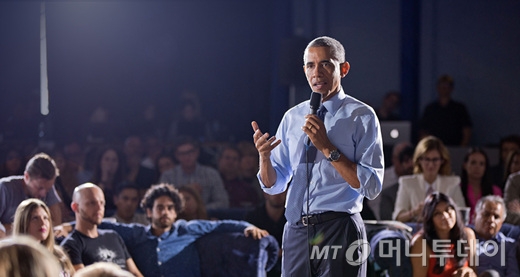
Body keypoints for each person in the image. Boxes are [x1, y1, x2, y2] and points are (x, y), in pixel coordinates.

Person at [252, 36, 384, 276]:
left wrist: (327, 148)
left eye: (325, 64)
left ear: (343, 69)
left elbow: (371, 186)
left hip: (340, 228)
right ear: (304, 70)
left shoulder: (362, 116)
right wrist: (263, 157)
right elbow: (274, 185)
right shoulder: (292, 117)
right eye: (310, 65)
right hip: (296, 230)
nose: (317, 72)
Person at [90, 183, 268, 276]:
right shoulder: (137, 233)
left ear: (176, 212)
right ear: (149, 212)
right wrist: (70, 225)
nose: (165, 212)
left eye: (170, 208)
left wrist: (249, 227)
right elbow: (106, 224)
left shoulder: (187, 229)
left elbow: (222, 225)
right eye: (160, 208)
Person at [59, 183, 143, 276]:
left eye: (102, 203)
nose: (99, 208)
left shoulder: (113, 236)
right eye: (92, 203)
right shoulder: (71, 245)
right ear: (75, 207)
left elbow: (135, 272)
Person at [393, 136, 466, 222]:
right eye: (427, 159)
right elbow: (397, 218)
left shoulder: (452, 183)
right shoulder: (407, 183)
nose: (431, 164)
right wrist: (414, 212)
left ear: (442, 160)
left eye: (435, 160)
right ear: (419, 160)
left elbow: (462, 215)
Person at [410, 192, 477, 277]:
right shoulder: (420, 243)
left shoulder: (468, 234)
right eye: (437, 213)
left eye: (448, 210)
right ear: (430, 219)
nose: (445, 216)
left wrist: (467, 271)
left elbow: (474, 271)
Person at [0, 152, 62, 238]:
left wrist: (11, 227)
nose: (43, 194)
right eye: (39, 188)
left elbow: (56, 225)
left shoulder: (46, 186)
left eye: (48, 189)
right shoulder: (5, 188)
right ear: (26, 176)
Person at [159, 137, 229, 209]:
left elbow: (223, 202)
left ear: (197, 152)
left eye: (190, 152)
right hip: (176, 218)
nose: (187, 157)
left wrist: (199, 210)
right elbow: (162, 203)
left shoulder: (212, 174)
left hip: (206, 217)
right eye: (182, 153)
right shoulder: (168, 176)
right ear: (177, 156)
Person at [12, 198, 75, 276]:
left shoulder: (58, 253)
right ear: (23, 223)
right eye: (35, 218)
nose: (42, 223)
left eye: (45, 218)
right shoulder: (14, 257)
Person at [418, 74, 473, 146]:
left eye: (446, 86)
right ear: (437, 88)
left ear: (451, 88)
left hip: (455, 147)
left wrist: (461, 149)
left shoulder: (459, 108)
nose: (444, 89)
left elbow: (467, 130)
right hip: (435, 148)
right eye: (442, 86)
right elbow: (423, 132)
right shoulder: (430, 109)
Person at [472, 195, 519, 276]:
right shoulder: (464, 240)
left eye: (496, 217)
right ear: (475, 216)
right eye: (486, 214)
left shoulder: (509, 245)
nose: (491, 220)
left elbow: (513, 273)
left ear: (502, 221)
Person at [245, 191, 287, 277]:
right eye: (274, 190)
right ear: (265, 193)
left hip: (289, 262)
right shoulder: (253, 216)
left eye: (282, 190)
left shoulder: (295, 218)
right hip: (260, 263)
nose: (277, 193)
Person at [369, 142, 414, 219]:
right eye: (404, 159)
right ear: (394, 159)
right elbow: (375, 206)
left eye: (411, 159)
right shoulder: (381, 178)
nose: (409, 164)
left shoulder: (418, 178)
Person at [460, 148, 502, 223]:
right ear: (465, 165)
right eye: (473, 163)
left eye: (481, 164)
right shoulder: (457, 189)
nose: (477, 167)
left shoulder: (495, 191)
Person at [90, 146, 126, 211]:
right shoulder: (91, 185)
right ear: (100, 162)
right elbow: (93, 202)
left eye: (114, 160)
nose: (110, 163)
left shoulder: (123, 185)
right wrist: (104, 179)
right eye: (107, 159)